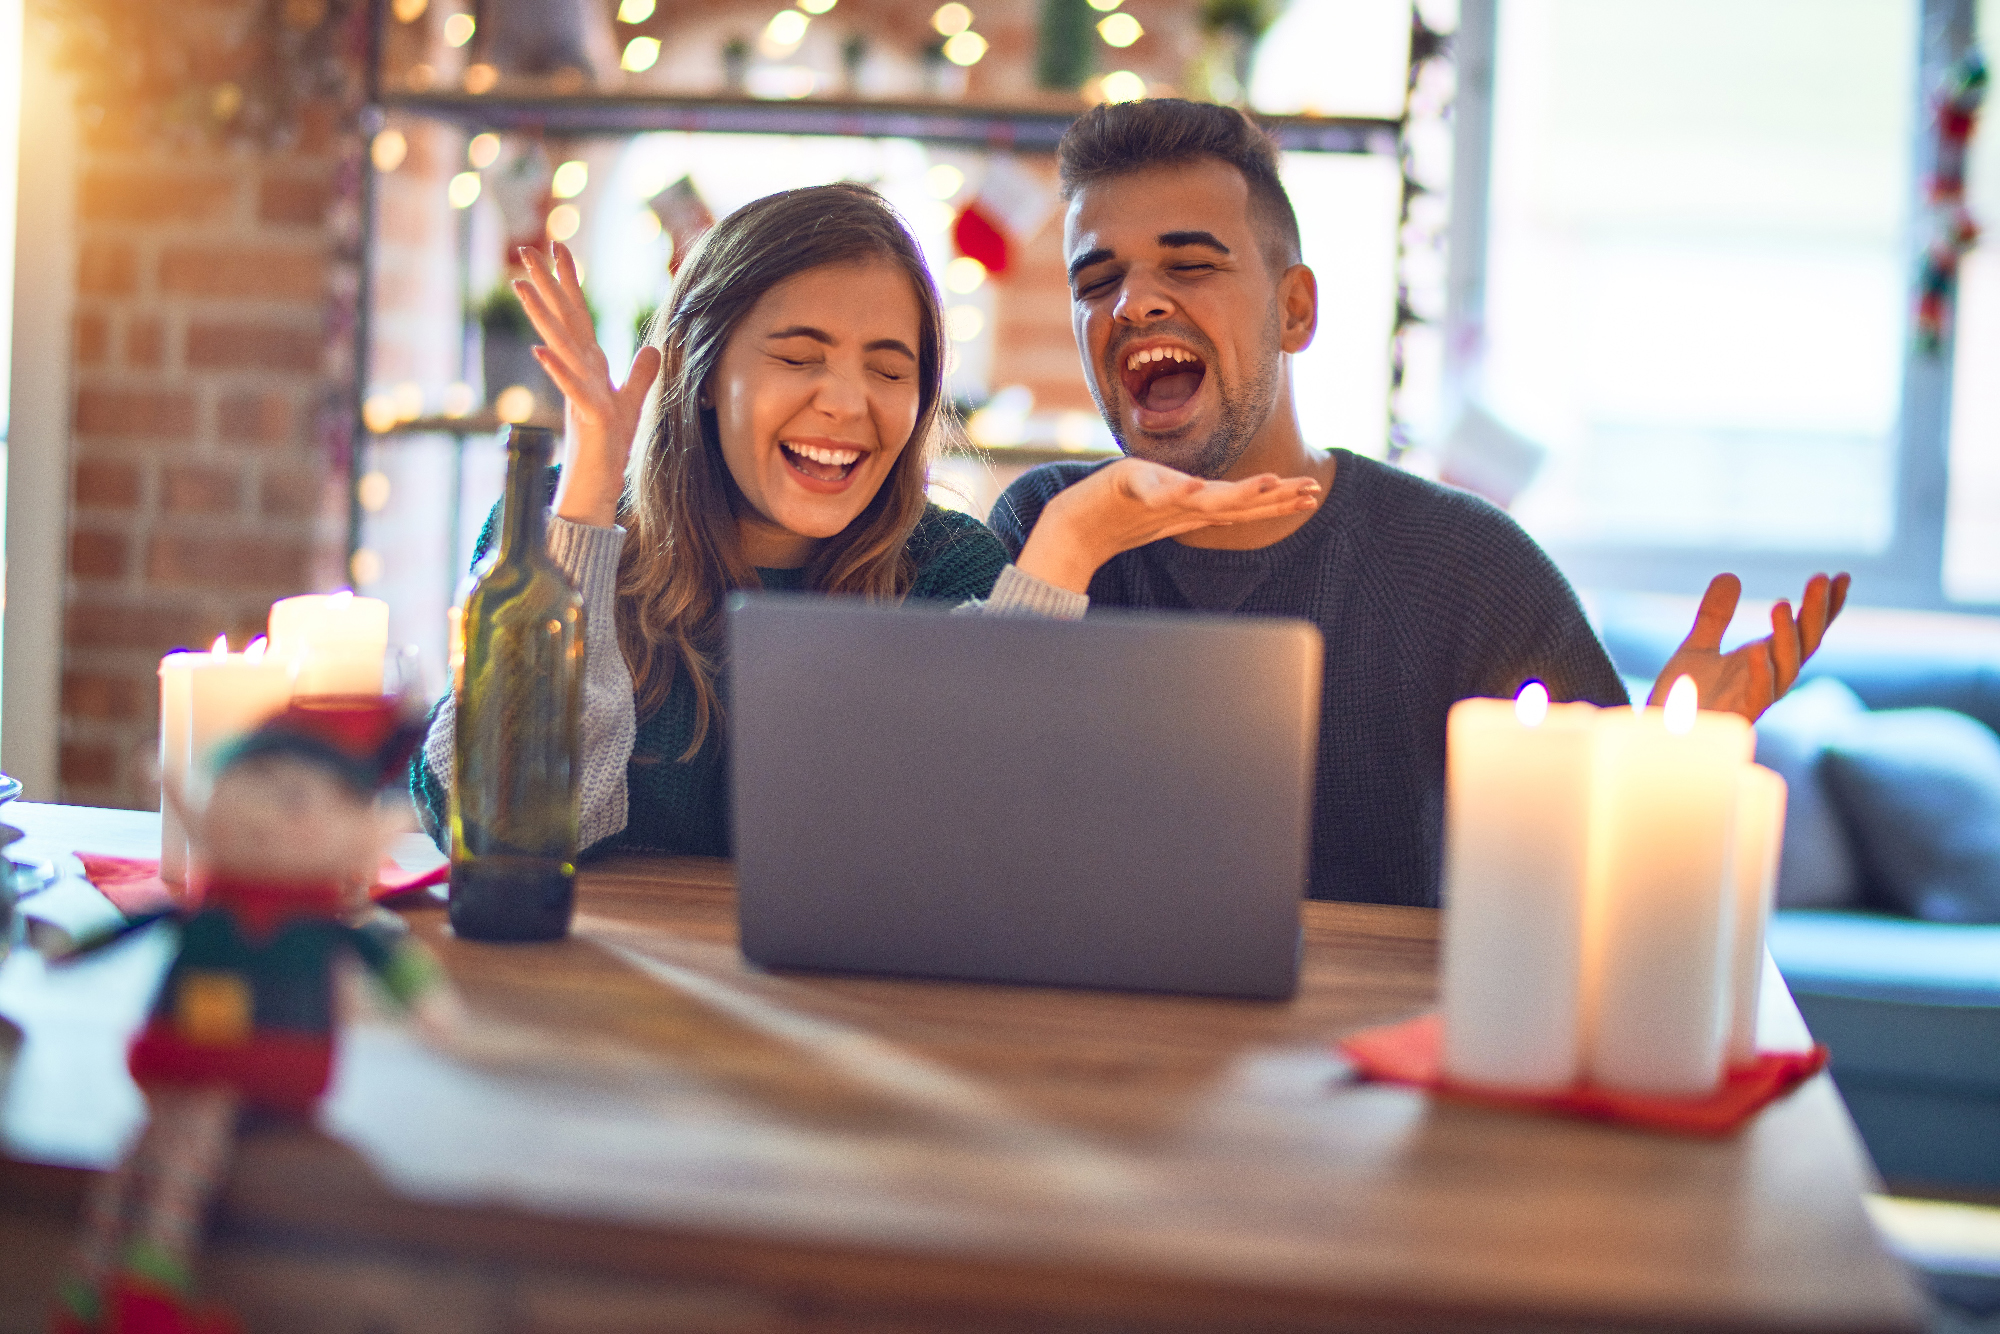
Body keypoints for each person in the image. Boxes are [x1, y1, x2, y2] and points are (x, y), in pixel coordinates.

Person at [980, 99, 1849, 907]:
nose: (1134, 302)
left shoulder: (1465, 563)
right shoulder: (1046, 529)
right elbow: (966, 821)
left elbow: (1593, 896)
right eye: (1097, 281)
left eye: (1191, 264)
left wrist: (1670, 765)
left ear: (1295, 310)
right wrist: (1068, 549)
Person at [411, 182, 1314, 855]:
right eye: (800, 357)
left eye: (889, 370)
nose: (847, 404)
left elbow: (973, 838)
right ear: (701, 374)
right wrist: (591, 493)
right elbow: (498, 823)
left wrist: (1069, 546)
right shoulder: (549, 539)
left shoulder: (945, 563)